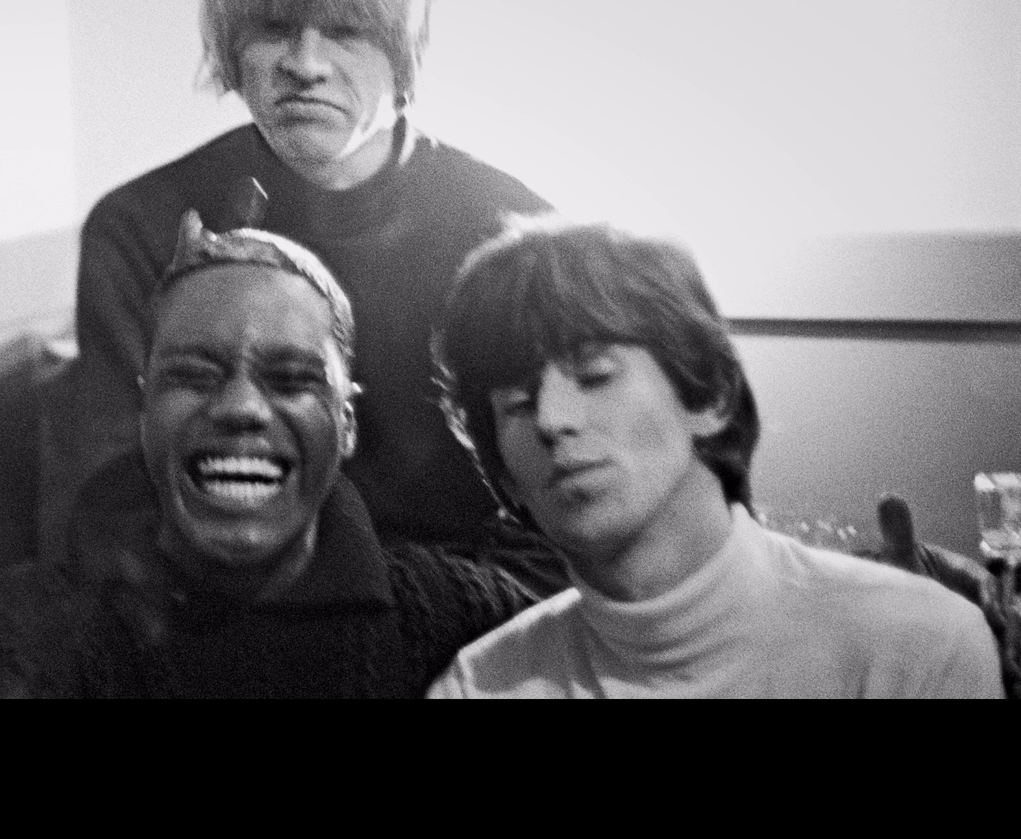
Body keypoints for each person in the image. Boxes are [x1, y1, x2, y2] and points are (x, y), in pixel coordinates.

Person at [60, 0, 562, 597]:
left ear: (409, 41)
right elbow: (108, 515)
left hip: (459, 614)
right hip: (217, 612)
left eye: (348, 31)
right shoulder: (142, 226)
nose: (305, 63)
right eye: (272, 28)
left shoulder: (511, 229)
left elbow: (558, 517)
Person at [0, 213, 533, 697]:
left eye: (290, 380)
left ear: (345, 422)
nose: (241, 407)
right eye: (195, 375)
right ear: (144, 411)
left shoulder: (464, 624)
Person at [425, 217, 1004, 698]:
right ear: (503, 470)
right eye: (517, 403)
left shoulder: (912, 645)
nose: (552, 420)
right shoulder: (482, 686)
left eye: (595, 376)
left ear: (710, 397)